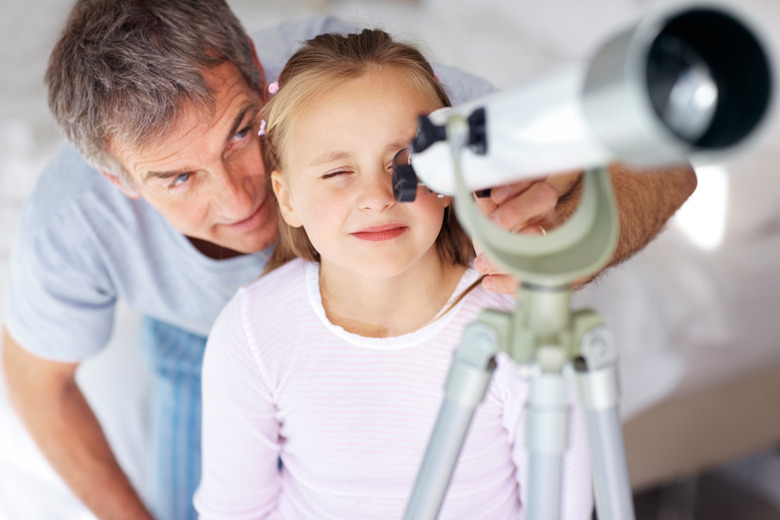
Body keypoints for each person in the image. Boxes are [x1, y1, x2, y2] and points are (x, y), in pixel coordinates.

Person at [0, 1, 695, 519]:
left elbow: (664, 161)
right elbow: (39, 385)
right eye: (178, 178)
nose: (238, 194)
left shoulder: (373, 96)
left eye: (243, 131)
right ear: (119, 182)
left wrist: (566, 243)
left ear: (254, 64)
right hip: (199, 335)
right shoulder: (76, 227)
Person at [195, 28, 592, 519]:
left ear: (449, 176)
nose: (378, 195)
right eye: (338, 172)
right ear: (287, 197)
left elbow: (560, 510)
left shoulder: (518, 329)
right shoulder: (255, 331)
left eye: (403, 164)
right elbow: (235, 511)